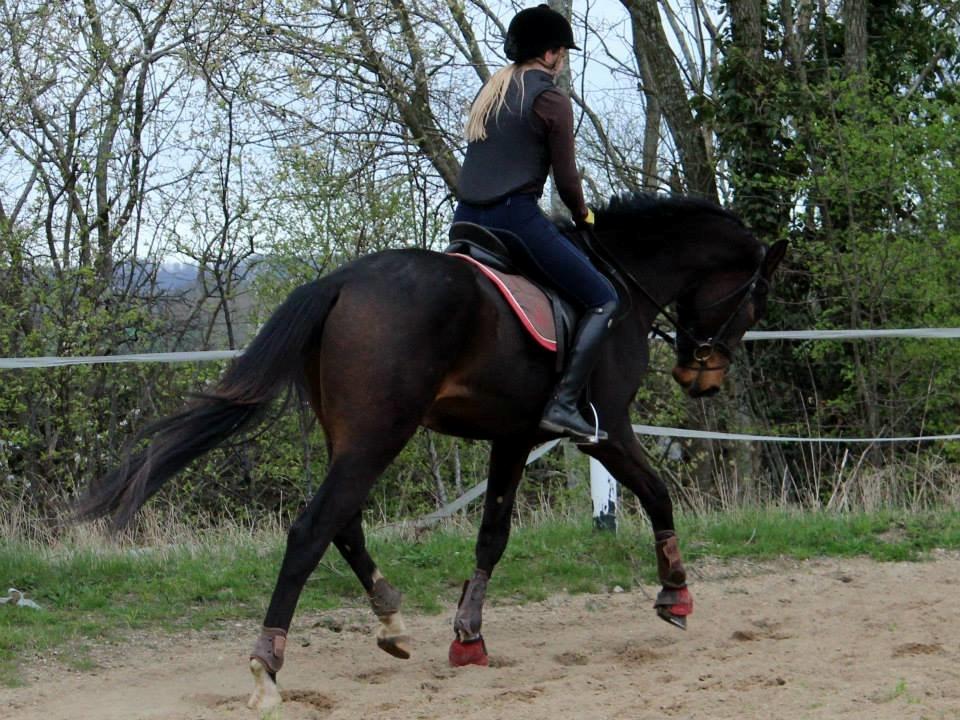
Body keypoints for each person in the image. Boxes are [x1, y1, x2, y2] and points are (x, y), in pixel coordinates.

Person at [454, 4, 618, 444]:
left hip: (465, 222)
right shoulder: (549, 97)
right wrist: (584, 215)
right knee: (603, 298)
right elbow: (566, 179)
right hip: (513, 220)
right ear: (549, 53)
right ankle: (563, 404)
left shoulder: (492, 91)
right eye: (561, 50)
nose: (562, 57)